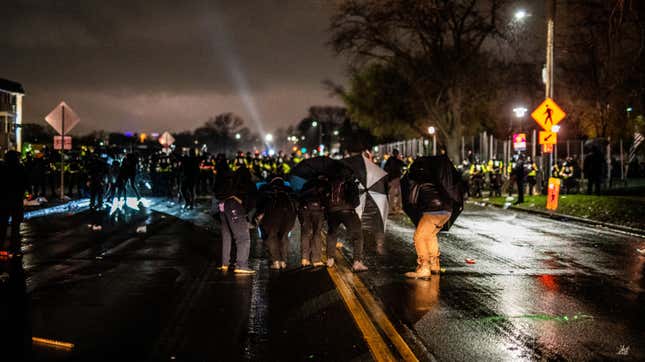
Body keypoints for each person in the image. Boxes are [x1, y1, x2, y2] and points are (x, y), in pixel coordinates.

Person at [404, 177, 453, 279]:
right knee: (430, 235)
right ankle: (435, 264)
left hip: (433, 210)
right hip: (447, 211)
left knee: (419, 237)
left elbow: (412, 200)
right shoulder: (440, 179)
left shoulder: (419, 179)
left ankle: (424, 268)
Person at [213, 158, 255, 274]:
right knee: (243, 238)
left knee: (227, 237)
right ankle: (242, 265)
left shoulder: (231, 182)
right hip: (234, 208)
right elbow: (251, 202)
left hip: (223, 206)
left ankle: (225, 264)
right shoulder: (247, 184)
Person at [325, 173, 367, 272]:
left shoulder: (329, 182)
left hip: (332, 211)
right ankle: (357, 262)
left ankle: (330, 259)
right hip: (348, 211)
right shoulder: (351, 182)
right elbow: (356, 202)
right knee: (358, 236)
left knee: (332, 234)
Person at [257, 177, 297, 269]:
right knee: (284, 236)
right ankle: (283, 261)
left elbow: (260, 203)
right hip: (288, 215)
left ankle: (276, 261)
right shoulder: (288, 190)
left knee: (271, 236)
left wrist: (258, 215)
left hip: (271, 215)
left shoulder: (266, 189)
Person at [0, 151, 28, 257]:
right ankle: (14, 249)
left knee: (2, 226)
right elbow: (25, 182)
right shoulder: (20, 168)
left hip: (3, 201)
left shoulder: (2, 168)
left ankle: (2, 248)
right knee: (15, 227)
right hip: (16, 201)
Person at [298, 176, 329, 267]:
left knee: (305, 233)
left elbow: (300, 197)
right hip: (318, 210)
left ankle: (305, 258)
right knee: (316, 233)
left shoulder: (306, 184)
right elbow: (327, 199)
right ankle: (316, 259)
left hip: (305, 209)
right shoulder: (325, 185)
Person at [383, 149, 405, 214]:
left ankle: (391, 208)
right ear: (397, 154)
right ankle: (397, 207)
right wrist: (400, 159)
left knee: (393, 193)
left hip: (391, 179)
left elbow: (385, 168)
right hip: (396, 178)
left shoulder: (390, 160)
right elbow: (403, 164)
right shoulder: (397, 160)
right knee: (398, 193)